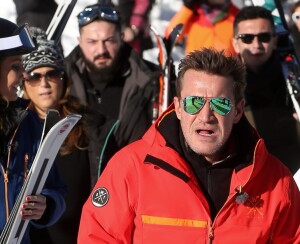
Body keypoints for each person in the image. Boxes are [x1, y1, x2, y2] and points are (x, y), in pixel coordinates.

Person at [78, 48, 300, 243]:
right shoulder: (131, 168)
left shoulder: (274, 181)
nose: (206, 116)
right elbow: (98, 237)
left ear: (238, 111)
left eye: (220, 104)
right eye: (194, 102)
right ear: (178, 108)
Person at [64, 4, 160, 187]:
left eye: (109, 40)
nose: (101, 50)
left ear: (122, 38)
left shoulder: (151, 82)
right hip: (76, 203)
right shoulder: (61, 82)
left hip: (131, 191)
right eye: (92, 42)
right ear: (79, 41)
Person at [21, 28, 91, 244]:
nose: (44, 83)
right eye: (34, 76)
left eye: (52, 74)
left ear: (64, 78)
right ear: (23, 83)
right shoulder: (17, 128)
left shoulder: (88, 125)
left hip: (78, 235)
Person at [0, 18, 66, 244]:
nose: (24, 74)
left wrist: (46, 204)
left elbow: (54, 186)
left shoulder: (27, 122)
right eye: (15, 67)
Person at [232, 5, 300, 174]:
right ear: (235, 43)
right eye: (247, 38)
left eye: (264, 37)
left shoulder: (294, 79)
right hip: (244, 181)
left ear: (275, 40)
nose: (256, 44)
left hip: (292, 178)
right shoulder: (223, 84)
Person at [165, 0, 239, 56]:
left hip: (226, 68)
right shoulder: (193, 12)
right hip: (196, 67)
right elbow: (170, 37)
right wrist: (187, 7)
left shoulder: (235, 13)